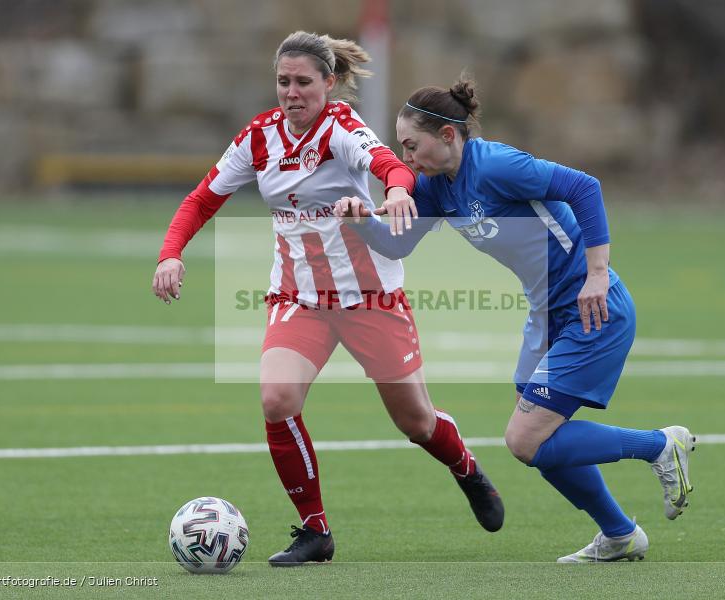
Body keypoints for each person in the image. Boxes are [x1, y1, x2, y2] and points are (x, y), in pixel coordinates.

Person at [152, 34, 503, 567]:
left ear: (328, 82)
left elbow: (390, 165)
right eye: (283, 82)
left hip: (370, 297)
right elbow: (202, 199)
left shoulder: (341, 127)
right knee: (277, 400)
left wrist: (399, 190)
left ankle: (466, 468)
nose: (291, 92)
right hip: (299, 298)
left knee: (416, 422)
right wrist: (170, 254)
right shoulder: (258, 137)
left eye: (303, 82)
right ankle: (315, 530)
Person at [334, 74, 696, 562]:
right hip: (546, 315)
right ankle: (620, 534)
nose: (405, 157)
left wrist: (597, 273)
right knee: (540, 439)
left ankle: (658, 445)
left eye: (411, 145)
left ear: (447, 135)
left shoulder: (496, 165)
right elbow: (398, 244)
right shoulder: (437, 187)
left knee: (525, 440)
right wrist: (360, 223)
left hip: (592, 308)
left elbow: (585, 188)